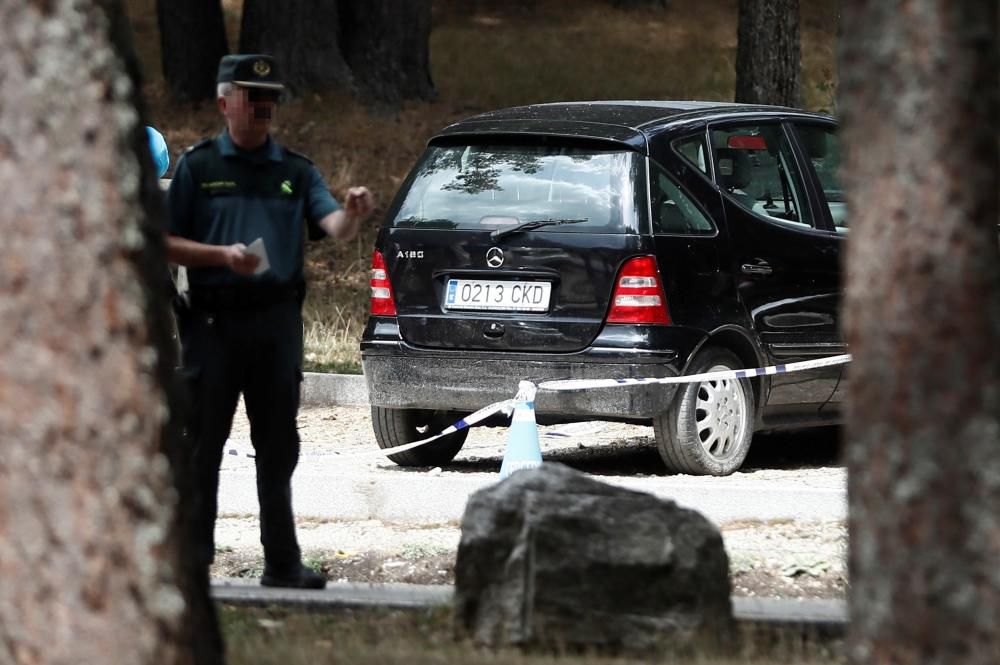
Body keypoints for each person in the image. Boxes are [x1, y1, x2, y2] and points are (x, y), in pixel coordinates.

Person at [165, 54, 374, 589]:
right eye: (253, 97)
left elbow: (333, 225)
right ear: (223, 102)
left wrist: (351, 211)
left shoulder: (295, 171)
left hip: (276, 324)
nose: (264, 108)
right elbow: (163, 241)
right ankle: (193, 563)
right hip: (213, 325)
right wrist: (220, 257)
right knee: (203, 443)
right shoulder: (199, 166)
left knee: (278, 444)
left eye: (271, 99)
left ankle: (281, 562)